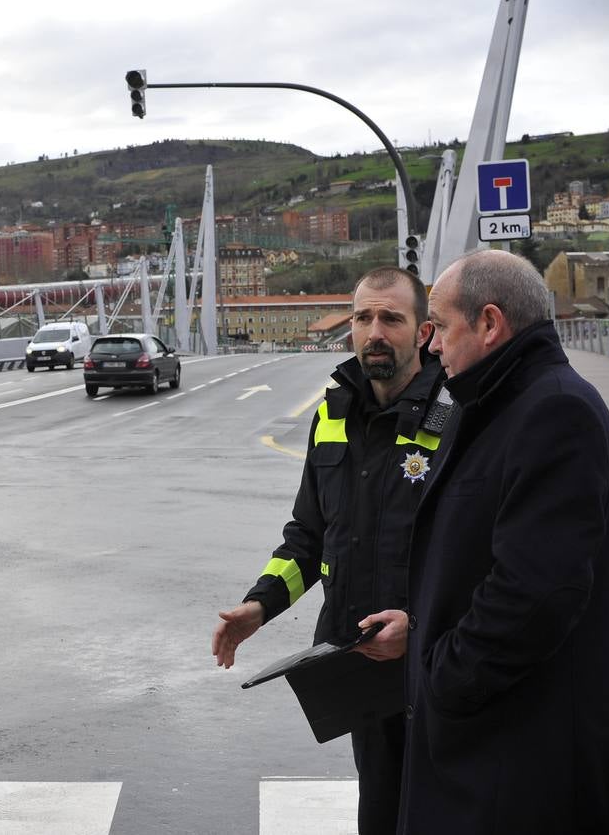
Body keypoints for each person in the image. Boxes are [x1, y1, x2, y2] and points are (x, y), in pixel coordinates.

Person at [383, 250, 609, 834]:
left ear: (490, 324)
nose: (431, 347)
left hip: (524, 765)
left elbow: (536, 594)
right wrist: (421, 624)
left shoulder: (554, 410)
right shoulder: (494, 403)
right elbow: (483, 559)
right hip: (496, 749)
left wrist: (443, 676)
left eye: (442, 327)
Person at [212, 267, 449, 835]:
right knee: (380, 813)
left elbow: (472, 551)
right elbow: (311, 535)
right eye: (363, 318)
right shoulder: (332, 413)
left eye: (391, 318)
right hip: (360, 661)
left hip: (435, 664)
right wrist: (258, 608)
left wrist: (419, 629)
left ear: (423, 333)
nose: (374, 332)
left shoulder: (456, 414)